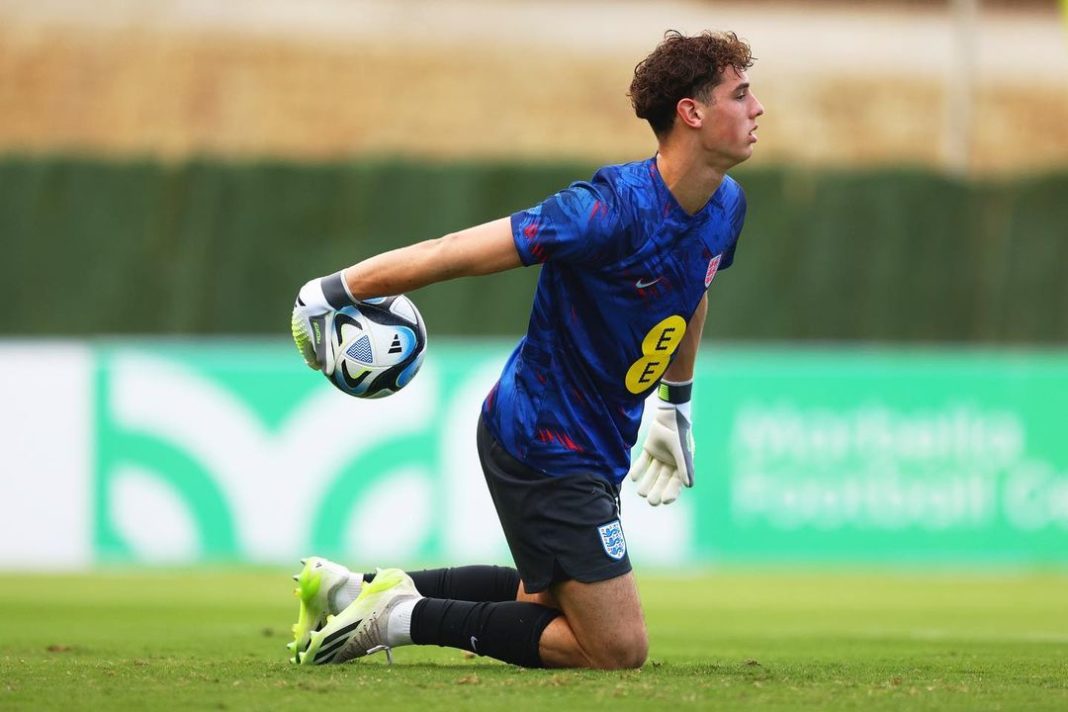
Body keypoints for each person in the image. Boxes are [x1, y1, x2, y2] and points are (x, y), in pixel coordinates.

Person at [287, 29, 763, 670]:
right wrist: (333, 289)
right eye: (741, 93)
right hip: (543, 439)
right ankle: (393, 618)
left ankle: (352, 590)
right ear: (692, 113)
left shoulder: (724, 207)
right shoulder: (605, 212)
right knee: (615, 648)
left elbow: (692, 289)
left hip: (592, 439)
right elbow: (451, 251)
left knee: (541, 601)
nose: (757, 108)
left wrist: (675, 403)